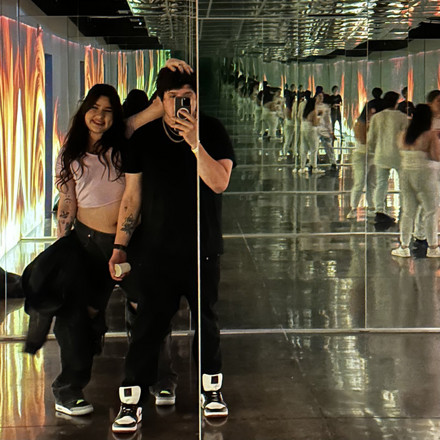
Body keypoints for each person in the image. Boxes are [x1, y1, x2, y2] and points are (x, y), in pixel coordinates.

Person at [109, 67, 236, 434]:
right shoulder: (144, 137)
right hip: (156, 251)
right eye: (174, 97)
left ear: (197, 98)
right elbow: (132, 196)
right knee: (147, 327)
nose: (182, 103)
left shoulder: (212, 130)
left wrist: (195, 143)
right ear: (161, 101)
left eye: (188, 97)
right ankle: (132, 399)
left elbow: (219, 182)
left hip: (202, 248)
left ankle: (211, 389)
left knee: (206, 322)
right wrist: (120, 245)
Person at [391, 104, 440, 258]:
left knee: (408, 212)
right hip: (426, 174)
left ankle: (404, 246)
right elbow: (436, 156)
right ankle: (433, 247)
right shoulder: (430, 135)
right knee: (431, 211)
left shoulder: (403, 135)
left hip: (406, 173)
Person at [368, 91, 408, 223]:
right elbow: (406, 137)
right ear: (396, 102)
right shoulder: (402, 117)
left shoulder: (377, 117)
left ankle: (379, 210)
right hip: (398, 155)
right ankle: (404, 208)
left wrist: (373, 150)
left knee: (381, 183)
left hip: (381, 154)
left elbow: (371, 138)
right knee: (403, 184)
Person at [299, 95, 325, 174]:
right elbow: (315, 123)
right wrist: (319, 117)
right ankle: (314, 167)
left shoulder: (305, 113)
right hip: (311, 130)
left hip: (303, 128)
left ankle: (302, 167)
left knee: (304, 148)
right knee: (314, 149)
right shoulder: (313, 112)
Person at [315, 92, 337, 171]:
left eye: (322, 97)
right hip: (315, 129)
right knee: (314, 147)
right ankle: (313, 164)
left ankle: (333, 162)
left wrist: (330, 131)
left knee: (328, 146)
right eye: (319, 96)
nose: (321, 98)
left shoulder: (326, 107)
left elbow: (328, 120)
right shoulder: (312, 106)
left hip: (323, 129)